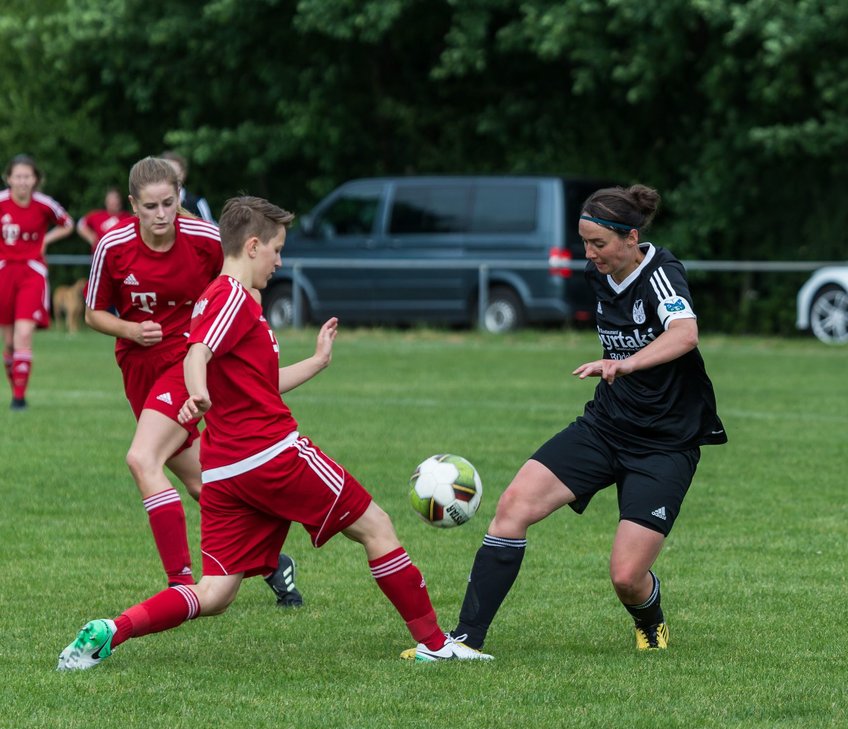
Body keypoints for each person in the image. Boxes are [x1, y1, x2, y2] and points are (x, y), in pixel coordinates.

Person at [58, 195, 489, 670]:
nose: (280, 261)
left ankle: (110, 631)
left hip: (225, 472)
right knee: (377, 527)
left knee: (216, 592)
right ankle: (434, 644)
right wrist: (198, 393)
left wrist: (318, 361)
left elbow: (260, 381)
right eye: (277, 250)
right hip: (273, 456)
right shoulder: (230, 297)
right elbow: (196, 354)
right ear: (254, 245)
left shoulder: (221, 299)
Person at [447, 184, 727, 655]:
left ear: (630, 238)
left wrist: (627, 363)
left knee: (626, 577)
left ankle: (651, 621)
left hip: (664, 444)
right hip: (605, 425)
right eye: (584, 242)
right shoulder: (597, 274)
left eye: (598, 243)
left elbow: (685, 334)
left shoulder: (660, 273)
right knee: (513, 507)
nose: (589, 253)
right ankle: (464, 641)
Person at [85, 157, 301, 604]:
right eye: (150, 206)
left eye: (169, 202)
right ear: (132, 206)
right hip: (138, 369)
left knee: (143, 459)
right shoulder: (112, 246)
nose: (161, 214)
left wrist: (249, 343)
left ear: (180, 197)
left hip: (188, 363)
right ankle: (271, 560)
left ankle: (181, 583)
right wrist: (129, 329)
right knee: (203, 481)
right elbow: (93, 312)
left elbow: (246, 284)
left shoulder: (204, 239)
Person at [0, 154, 74, 410]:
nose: (22, 182)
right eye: (17, 176)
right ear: (9, 178)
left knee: (23, 334)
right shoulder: (1, 202)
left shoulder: (44, 204)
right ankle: (15, 389)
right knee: (9, 341)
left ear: (35, 180)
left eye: (27, 177)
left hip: (32, 273)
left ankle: (19, 398)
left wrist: (45, 241)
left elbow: (67, 224)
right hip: (4, 272)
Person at [160, 150, 214, 223]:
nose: (168, 176)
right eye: (163, 172)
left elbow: (210, 230)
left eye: (173, 172)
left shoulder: (197, 203)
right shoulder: (150, 201)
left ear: (183, 174)